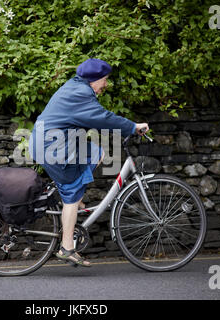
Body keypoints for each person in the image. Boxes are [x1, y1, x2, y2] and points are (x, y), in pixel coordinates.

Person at [29, 58, 149, 267]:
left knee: (95, 152)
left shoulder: (75, 87)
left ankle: (75, 200)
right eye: (105, 80)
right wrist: (132, 127)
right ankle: (67, 246)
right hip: (52, 147)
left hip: (48, 143)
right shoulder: (80, 94)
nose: (106, 84)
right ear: (95, 79)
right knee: (77, 184)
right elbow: (102, 118)